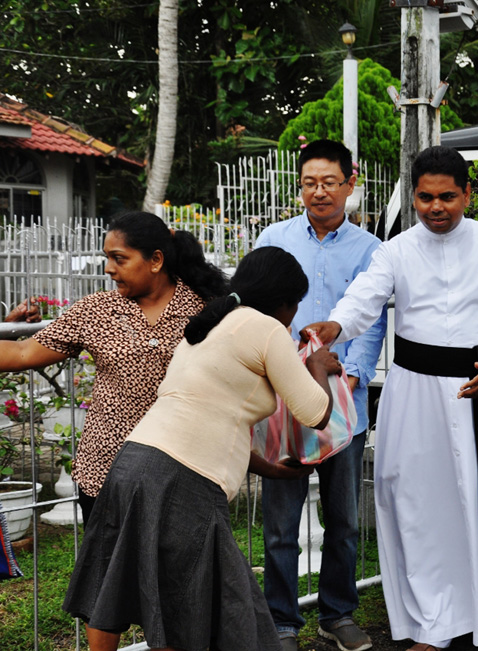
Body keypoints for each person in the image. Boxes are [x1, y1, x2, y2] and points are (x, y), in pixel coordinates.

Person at [308, 145, 478, 651]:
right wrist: (335, 325)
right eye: (424, 198)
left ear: (467, 195)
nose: (436, 208)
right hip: (413, 394)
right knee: (416, 504)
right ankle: (430, 624)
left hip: (477, 390)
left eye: (447, 197)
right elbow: (364, 298)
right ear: (412, 195)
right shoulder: (395, 249)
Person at [61, 246, 342, 651]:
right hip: (183, 484)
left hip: (134, 460)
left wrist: (272, 469)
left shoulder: (213, 323)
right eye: (294, 305)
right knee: (187, 605)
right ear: (284, 301)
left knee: (116, 585)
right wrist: (316, 366)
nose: (293, 317)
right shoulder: (265, 328)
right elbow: (314, 412)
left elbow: (206, 419)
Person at [0, 211, 227, 523]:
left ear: (156, 260)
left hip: (183, 471)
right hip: (106, 475)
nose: (109, 269)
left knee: (175, 570)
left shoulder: (207, 310)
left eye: (119, 258)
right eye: (107, 258)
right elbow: (24, 353)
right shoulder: (96, 311)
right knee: (110, 570)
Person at [253, 139, 385, 651]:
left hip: (344, 401)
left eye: (330, 182)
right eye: (310, 182)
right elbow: (260, 310)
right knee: (282, 523)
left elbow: (371, 322)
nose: (319, 192)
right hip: (282, 401)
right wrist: (287, 374)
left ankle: (338, 614)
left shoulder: (370, 249)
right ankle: (282, 622)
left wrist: (349, 378)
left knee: (344, 521)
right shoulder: (275, 238)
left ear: (350, 184)